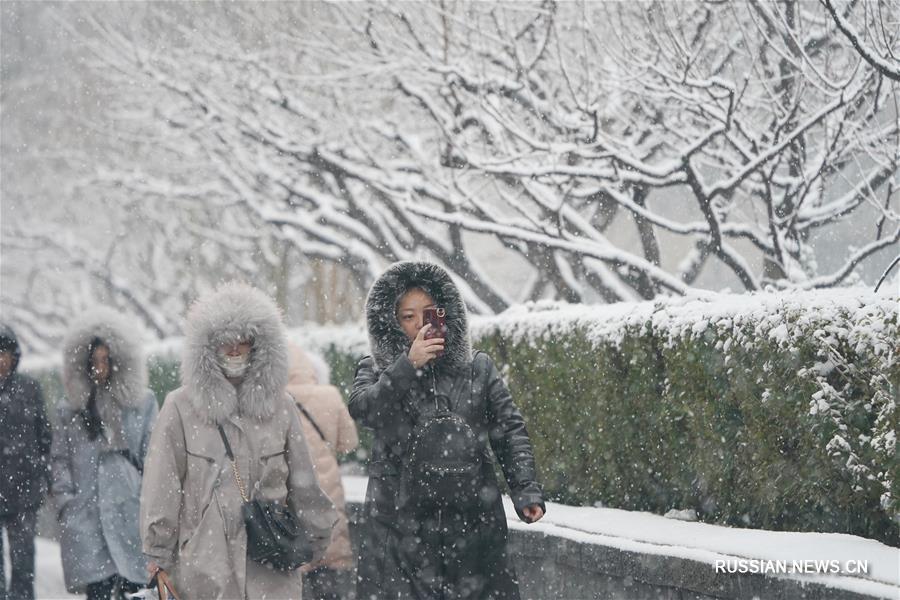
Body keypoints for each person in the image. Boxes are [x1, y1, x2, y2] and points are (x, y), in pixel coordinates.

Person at [350, 261, 546, 600]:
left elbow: (509, 430)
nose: (418, 325)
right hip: (398, 523)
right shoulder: (375, 369)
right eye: (407, 316)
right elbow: (365, 410)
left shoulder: (477, 369)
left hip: (471, 518)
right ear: (393, 323)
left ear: (445, 315)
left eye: (428, 313)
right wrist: (406, 367)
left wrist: (525, 490)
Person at [140, 282, 337, 600]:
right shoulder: (180, 407)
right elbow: (162, 485)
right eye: (225, 340)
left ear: (259, 345)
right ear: (208, 346)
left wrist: (315, 537)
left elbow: (303, 480)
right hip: (205, 568)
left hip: (271, 566)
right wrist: (158, 552)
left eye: (243, 340)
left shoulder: (280, 406)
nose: (234, 349)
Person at [51, 308, 158, 600]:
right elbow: (59, 459)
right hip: (87, 514)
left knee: (136, 590)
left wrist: (150, 500)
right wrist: (66, 502)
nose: (100, 367)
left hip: (129, 510)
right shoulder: (70, 409)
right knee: (97, 591)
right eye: (94, 361)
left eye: (106, 360)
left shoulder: (142, 402)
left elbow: (154, 456)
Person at [286, 344, 360, 600]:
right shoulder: (329, 394)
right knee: (332, 559)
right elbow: (349, 443)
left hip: (292, 493)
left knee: (298, 568)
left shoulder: (274, 399)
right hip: (328, 492)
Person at [0, 324, 51, 600]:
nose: (0, 360)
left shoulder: (29, 389)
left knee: (23, 564)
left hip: (23, 491)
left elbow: (44, 436)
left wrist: (43, 476)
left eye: (4, 353)